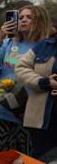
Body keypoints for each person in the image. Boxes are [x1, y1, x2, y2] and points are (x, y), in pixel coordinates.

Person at [0, 5, 51, 154]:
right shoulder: (9, 43)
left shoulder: (47, 47)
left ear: (41, 21)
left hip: (30, 112)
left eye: (29, 17)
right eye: (21, 17)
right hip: (1, 110)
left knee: (25, 163)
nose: (23, 20)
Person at [15, 29, 57, 157]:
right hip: (42, 119)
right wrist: (44, 82)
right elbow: (21, 67)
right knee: (41, 161)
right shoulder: (44, 45)